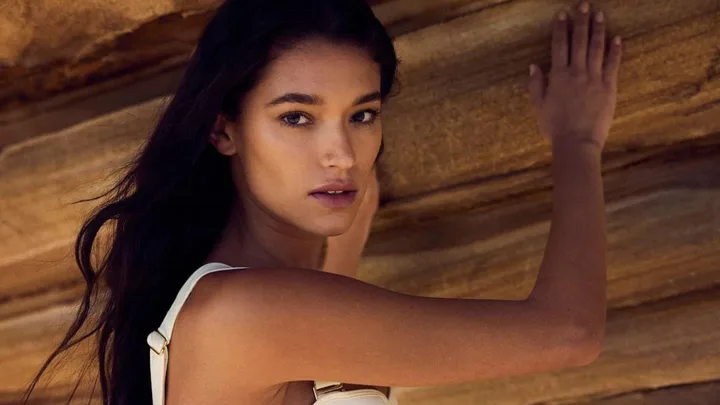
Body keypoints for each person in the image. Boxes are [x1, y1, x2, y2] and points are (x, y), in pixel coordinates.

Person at [21, 0, 622, 404]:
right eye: (297, 117)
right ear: (223, 129)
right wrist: (577, 139)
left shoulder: (270, 291)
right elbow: (568, 333)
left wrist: (343, 230)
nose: (341, 153)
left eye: (362, 115)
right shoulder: (247, 313)